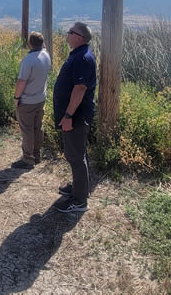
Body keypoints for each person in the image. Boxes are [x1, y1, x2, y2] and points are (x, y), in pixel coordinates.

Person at [52, 22, 97, 213]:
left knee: (76, 156)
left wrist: (68, 115)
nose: (67, 34)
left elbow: (80, 89)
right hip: (74, 116)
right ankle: (79, 188)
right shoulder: (79, 55)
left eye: (70, 32)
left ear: (80, 37)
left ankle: (79, 201)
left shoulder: (83, 58)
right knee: (77, 154)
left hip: (76, 117)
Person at [11, 31, 52, 170]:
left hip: (27, 101)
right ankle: (37, 155)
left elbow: (21, 82)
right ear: (42, 43)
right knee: (37, 128)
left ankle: (28, 159)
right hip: (41, 98)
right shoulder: (46, 56)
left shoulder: (28, 60)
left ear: (29, 44)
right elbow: (43, 47)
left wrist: (16, 98)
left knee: (27, 130)